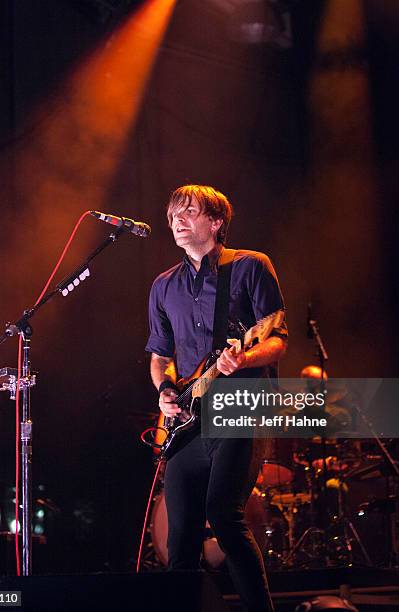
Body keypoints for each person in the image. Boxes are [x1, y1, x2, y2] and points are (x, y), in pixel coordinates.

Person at [145, 185, 287, 612]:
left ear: (217, 222)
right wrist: (165, 391)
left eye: (189, 212)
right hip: (189, 420)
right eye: (173, 215)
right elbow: (159, 357)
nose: (177, 220)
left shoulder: (250, 266)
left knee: (224, 516)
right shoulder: (163, 286)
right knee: (181, 537)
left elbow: (277, 340)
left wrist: (242, 359)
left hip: (244, 403)